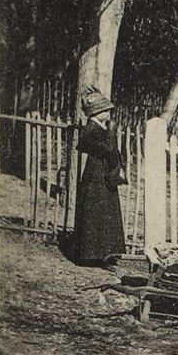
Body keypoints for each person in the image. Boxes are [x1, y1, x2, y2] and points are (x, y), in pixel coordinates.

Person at [72, 88, 126, 265]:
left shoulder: (101, 127)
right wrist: (111, 132)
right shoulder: (91, 129)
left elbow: (113, 151)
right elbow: (108, 150)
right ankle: (91, 255)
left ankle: (107, 253)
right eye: (105, 111)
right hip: (96, 175)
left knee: (107, 212)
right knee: (95, 212)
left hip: (105, 174)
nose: (108, 114)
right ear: (96, 112)